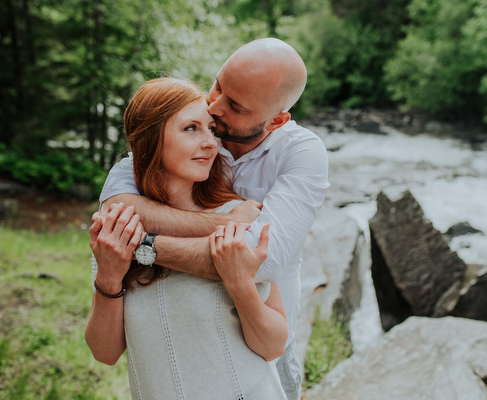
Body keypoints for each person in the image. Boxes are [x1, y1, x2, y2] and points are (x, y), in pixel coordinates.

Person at [98, 38, 330, 400]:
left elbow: (258, 261)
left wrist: (141, 247)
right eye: (218, 84)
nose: (215, 104)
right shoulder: (203, 122)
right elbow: (115, 210)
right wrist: (220, 225)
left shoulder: (300, 153)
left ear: (276, 120)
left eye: (234, 104)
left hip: (262, 348)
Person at [85, 77, 288, 399]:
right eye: (191, 128)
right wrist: (110, 276)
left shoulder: (241, 215)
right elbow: (104, 353)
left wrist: (240, 286)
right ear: (150, 139)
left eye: (211, 128)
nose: (210, 142)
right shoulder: (118, 229)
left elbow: (273, 346)